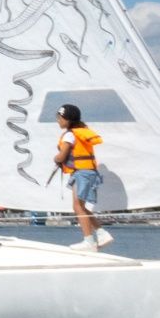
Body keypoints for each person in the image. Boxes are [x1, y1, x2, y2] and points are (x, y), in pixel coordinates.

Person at [53, 103, 109, 248]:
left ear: (68, 119)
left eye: (59, 117)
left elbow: (61, 156)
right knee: (80, 206)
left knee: (78, 206)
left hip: (81, 173)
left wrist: (56, 159)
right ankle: (101, 234)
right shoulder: (79, 132)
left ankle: (89, 241)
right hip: (88, 172)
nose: (58, 120)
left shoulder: (69, 135)